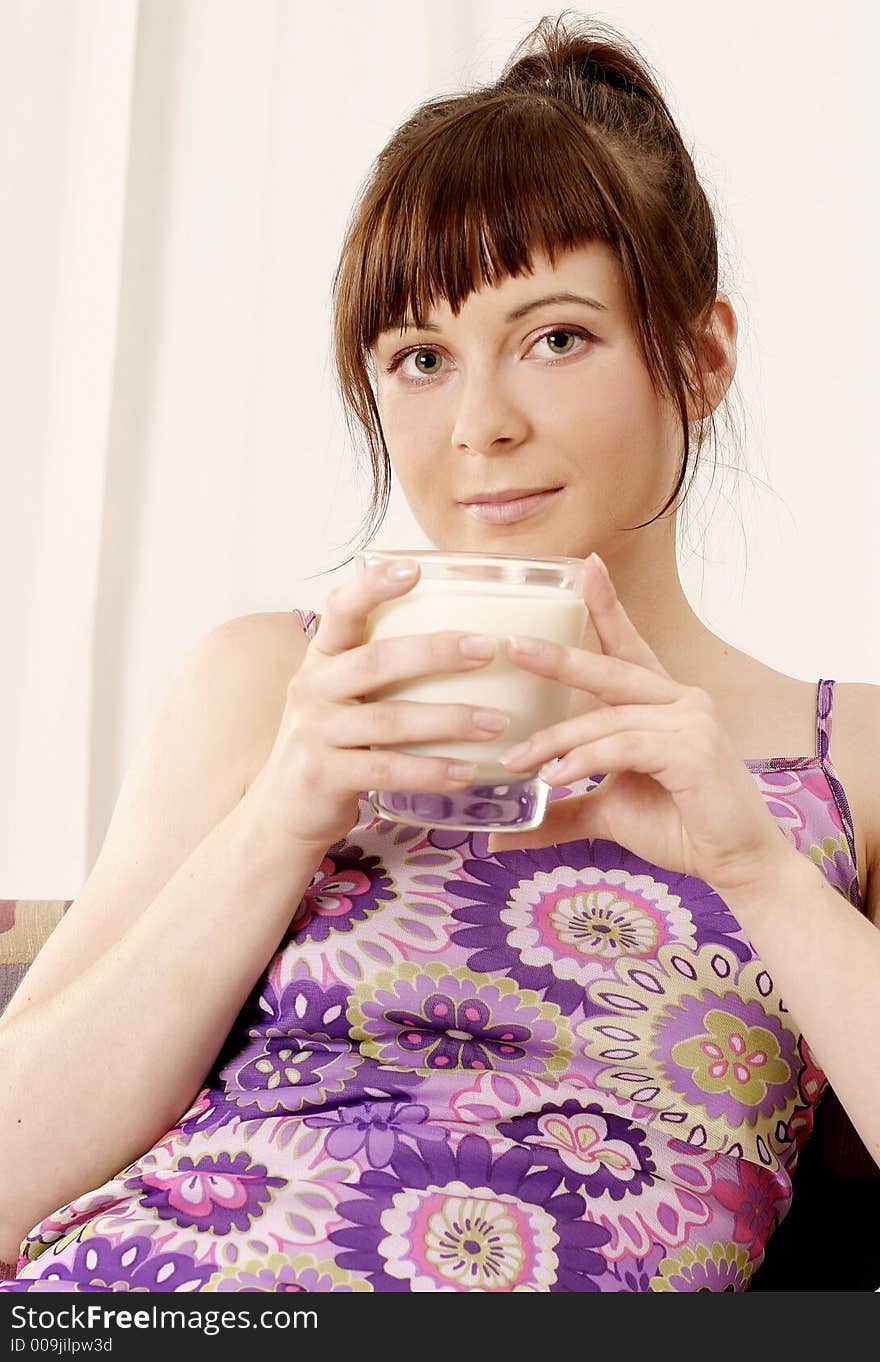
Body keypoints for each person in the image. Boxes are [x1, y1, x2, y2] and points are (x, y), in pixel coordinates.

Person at [1, 11, 878, 1294]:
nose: (480, 425)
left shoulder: (841, 749)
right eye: (420, 357)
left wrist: (755, 869)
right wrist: (278, 822)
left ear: (698, 358)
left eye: (556, 338)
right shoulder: (272, 688)